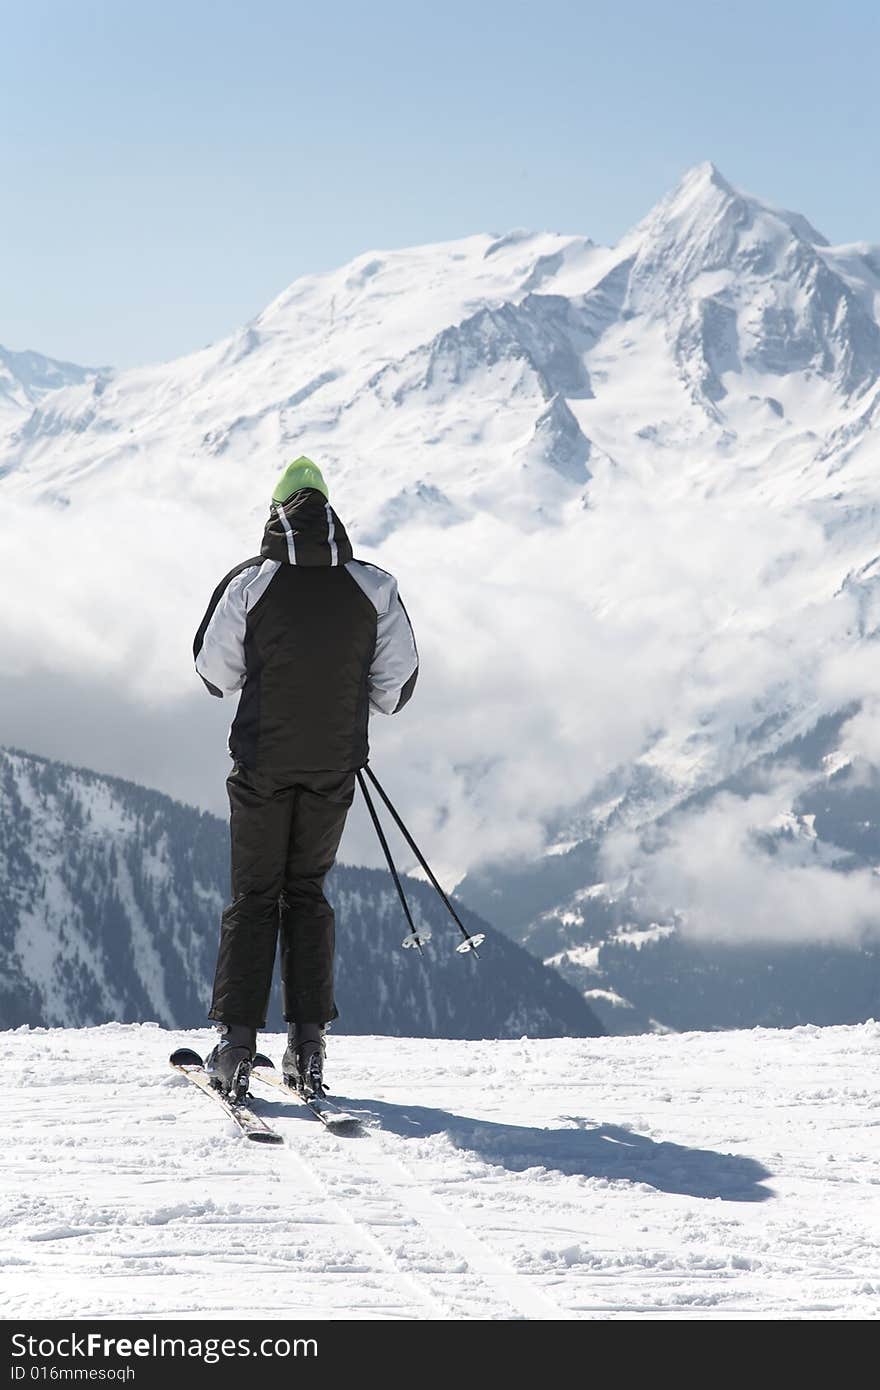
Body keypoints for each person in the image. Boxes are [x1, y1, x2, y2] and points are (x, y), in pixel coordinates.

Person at [192, 457, 418, 1101]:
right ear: (331, 515)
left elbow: (217, 674)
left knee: (254, 896)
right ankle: (308, 1048)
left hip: (262, 764)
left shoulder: (250, 584)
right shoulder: (374, 586)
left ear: (275, 514)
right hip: (333, 768)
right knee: (308, 894)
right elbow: (394, 689)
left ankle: (237, 1048)